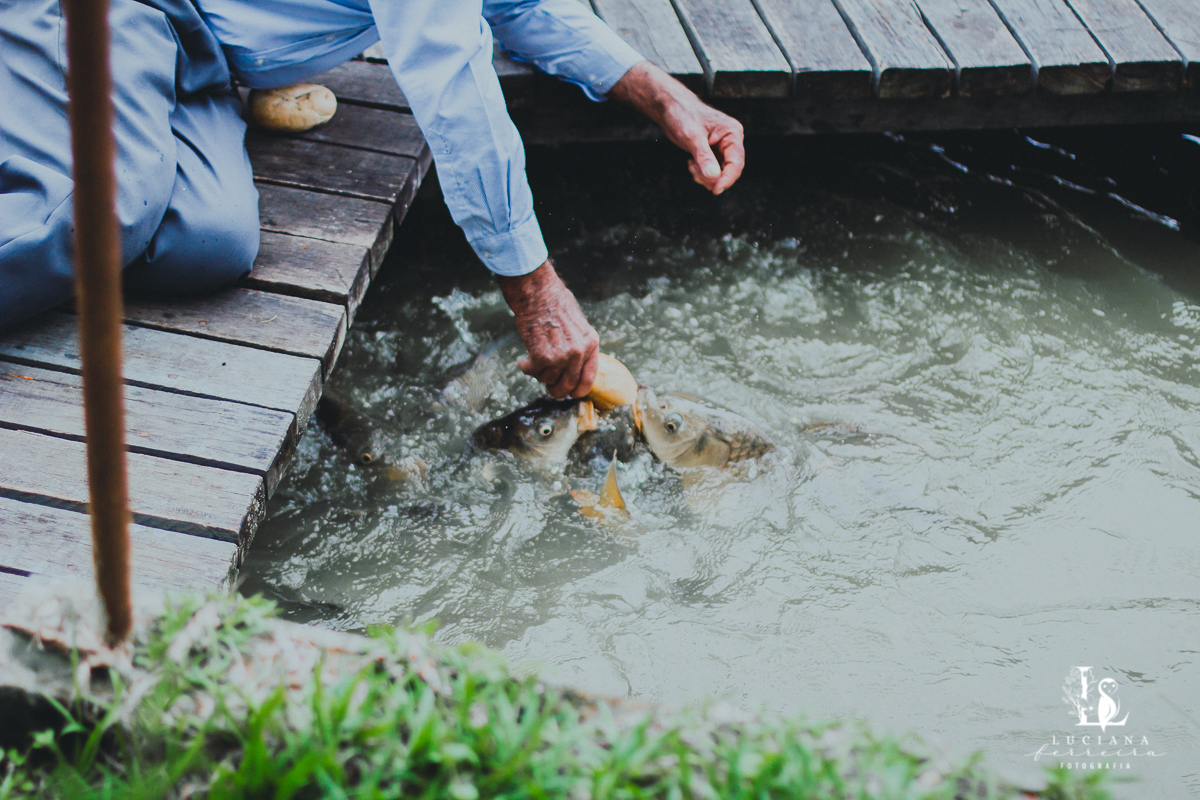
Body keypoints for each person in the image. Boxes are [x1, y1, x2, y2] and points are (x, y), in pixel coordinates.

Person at [0, 0, 744, 399]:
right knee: (114, 203)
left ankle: (52, 118)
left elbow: (513, 5)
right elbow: (452, 88)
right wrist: (535, 290)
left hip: (194, 52)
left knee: (213, 243)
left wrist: (658, 93)